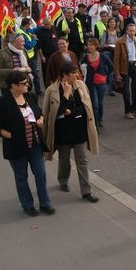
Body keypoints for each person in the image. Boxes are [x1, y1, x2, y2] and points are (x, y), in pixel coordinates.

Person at [0, 71, 54, 217]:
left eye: (27, 83)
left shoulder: (30, 96)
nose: (27, 85)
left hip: (35, 144)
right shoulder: (2, 102)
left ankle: (45, 203)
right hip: (16, 147)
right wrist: (9, 135)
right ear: (13, 86)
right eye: (24, 84)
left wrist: (41, 120)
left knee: (40, 174)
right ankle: (28, 205)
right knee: (21, 176)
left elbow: (39, 112)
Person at [42, 61, 99, 203]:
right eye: (73, 73)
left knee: (82, 160)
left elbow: (84, 107)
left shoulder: (80, 85)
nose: (76, 75)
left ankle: (86, 191)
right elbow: (51, 113)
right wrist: (66, 96)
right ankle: (63, 180)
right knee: (64, 159)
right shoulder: (52, 90)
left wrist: (72, 111)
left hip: (79, 129)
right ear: (64, 75)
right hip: (62, 131)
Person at [114, 23, 136, 120]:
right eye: (130, 30)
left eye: (133, 31)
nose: (132, 32)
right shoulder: (119, 42)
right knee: (126, 90)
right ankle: (128, 111)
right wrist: (117, 73)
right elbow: (116, 59)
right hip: (124, 67)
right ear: (126, 31)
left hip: (134, 65)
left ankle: (134, 108)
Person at [83, 38, 113, 128]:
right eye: (88, 45)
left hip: (101, 82)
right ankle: (95, 121)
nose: (89, 46)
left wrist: (105, 74)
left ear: (96, 46)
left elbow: (111, 67)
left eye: (91, 45)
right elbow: (82, 69)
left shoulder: (102, 56)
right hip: (90, 83)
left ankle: (100, 119)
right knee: (94, 104)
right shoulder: (85, 57)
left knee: (100, 103)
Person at [18, 18, 42, 96]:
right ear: (26, 25)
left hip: (31, 56)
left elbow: (33, 30)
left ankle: (34, 90)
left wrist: (42, 25)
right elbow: (28, 46)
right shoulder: (21, 33)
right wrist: (34, 39)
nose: (30, 26)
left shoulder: (26, 30)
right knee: (30, 75)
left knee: (33, 75)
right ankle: (29, 91)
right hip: (27, 57)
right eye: (29, 25)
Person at [35, 17, 59, 89]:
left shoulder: (54, 28)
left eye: (48, 24)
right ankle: (47, 87)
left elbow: (59, 38)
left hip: (55, 54)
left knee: (56, 70)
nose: (47, 26)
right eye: (45, 24)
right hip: (46, 55)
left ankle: (56, 85)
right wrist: (42, 56)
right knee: (46, 71)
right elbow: (39, 46)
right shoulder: (40, 32)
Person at [99, 17, 119, 96]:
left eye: (114, 22)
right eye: (111, 22)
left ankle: (111, 88)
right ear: (108, 23)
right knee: (108, 71)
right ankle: (107, 88)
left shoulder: (116, 32)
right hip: (107, 53)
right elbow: (102, 44)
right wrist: (107, 45)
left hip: (114, 53)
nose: (112, 24)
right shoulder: (105, 32)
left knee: (113, 71)